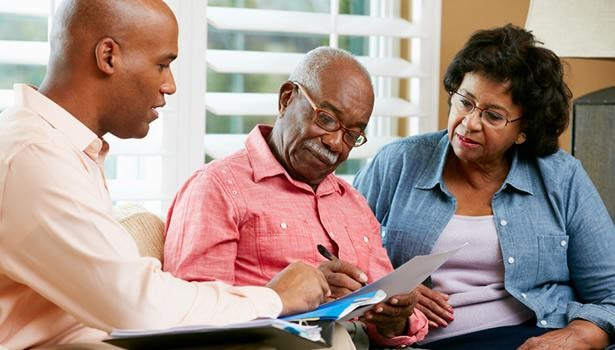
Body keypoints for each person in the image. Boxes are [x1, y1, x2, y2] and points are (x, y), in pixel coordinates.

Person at [0, 1, 331, 348]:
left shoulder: (62, 147)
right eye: (162, 65)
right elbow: (136, 305)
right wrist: (273, 299)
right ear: (108, 56)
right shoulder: (32, 157)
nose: (170, 85)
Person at [354, 24, 615, 350]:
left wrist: (577, 335)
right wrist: (389, 287)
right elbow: (338, 256)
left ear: (524, 130)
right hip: (417, 341)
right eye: (465, 102)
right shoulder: (399, 162)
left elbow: (611, 292)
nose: (469, 123)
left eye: (493, 116)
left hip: (529, 337)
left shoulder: (561, 178)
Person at [163, 46, 429, 349]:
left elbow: (391, 317)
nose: (335, 143)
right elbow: (191, 315)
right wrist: (292, 298)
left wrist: (395, 318)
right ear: (287, 98)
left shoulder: (352, 201)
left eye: (352, 135)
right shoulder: (217, 188)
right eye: (327, 119)